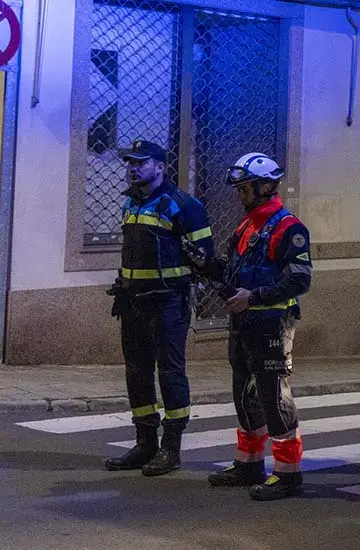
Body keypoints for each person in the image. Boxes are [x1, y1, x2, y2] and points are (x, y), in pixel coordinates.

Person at [184, 152, 312, 501]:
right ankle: (250, 464)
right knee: (245, 394)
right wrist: (207, 265)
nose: (240, 195)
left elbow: (300, 280)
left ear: (267, 185)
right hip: (244, 323)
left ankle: (287, 473)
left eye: (245, 188)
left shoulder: (290, 228)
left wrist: (253, 296)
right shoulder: (247, 226)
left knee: (273, 396)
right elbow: (230, 270)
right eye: (239, 189)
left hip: (272, 323)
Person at [105, 139, 215, 476]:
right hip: (133, 301)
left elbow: (206, 259)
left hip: (168, 302)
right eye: (131, 162)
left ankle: (171, 448)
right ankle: (145, 442)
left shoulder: (184, 205)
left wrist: (201, 262)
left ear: (160, 167)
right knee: (137, 373)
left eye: (141, 162)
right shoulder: (131, 203)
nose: (134, 167)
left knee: (170, 373)